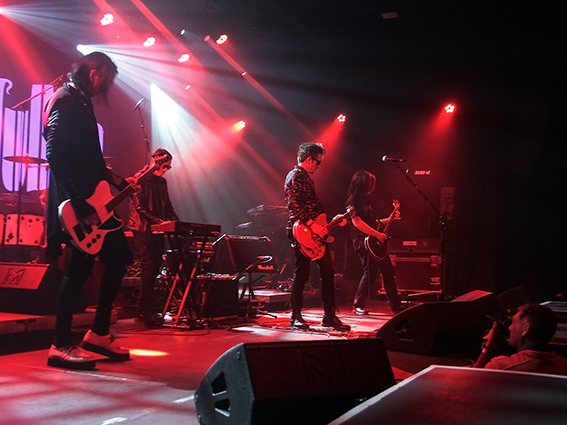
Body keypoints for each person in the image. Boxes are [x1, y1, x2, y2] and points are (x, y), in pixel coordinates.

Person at [44, 52, 134, 370]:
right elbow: (55, 154)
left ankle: (98, 334)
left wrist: (118, 181)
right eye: (106, 79)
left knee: (119, 259)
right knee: (79, 269)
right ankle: (60, 344)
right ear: (94, 72)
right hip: (78, 206)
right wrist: (79, 203)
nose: (105, 86)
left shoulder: (81, 101)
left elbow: (89, 159)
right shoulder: (66, 99)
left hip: (94, 203)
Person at [284, 142, 350, 331]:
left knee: (328, 272)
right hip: (301, 230)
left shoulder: (306, 178)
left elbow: (314, 211)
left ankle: (329, 315)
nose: (319, 166)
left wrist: (332, 220)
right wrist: (312, 225)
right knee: (302, 273)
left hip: (314, 231)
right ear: (309, 159)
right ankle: (296, 316)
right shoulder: (295, 176)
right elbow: (294, 206)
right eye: (318, 162)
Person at [128, 148, 179, 326]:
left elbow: (168, 206)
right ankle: (143, 311)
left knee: (155, 266)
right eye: (165, 166)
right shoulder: (140, 179)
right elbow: (140, 208)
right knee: (149, 266)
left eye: (168, 168)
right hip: (142, 228)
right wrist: (159, 222)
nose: (165, 170)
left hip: (158, 229)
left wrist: (177, 223)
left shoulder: (162, 182)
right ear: (155, 161)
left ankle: (147, 309)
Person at [346, 170, 401, 314]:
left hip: (374, 240)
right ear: (362, 183)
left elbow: (373, 222)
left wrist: (390, 219)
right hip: (363, 241)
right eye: (370, 183)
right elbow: (357, 223)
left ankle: (396, 305)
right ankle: (358, 305)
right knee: (370, 272)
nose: (372, 186)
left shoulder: (366, 201)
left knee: (388, 271)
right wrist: (378, 234)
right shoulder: (352, 201)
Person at [473, 303, 567, 375]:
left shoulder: (500, 367)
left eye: (513, 323)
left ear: (525, 329)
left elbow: (471, 382)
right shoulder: (563, 365)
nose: (509, 328)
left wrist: (488, 349)